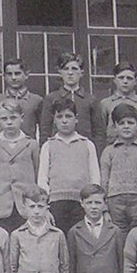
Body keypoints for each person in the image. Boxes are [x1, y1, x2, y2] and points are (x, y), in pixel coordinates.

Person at [37, 96, 100, 236]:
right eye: (59, 117)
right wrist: (45, 206)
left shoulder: (87, 144)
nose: (64, 120)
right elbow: (42, 179)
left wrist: (92, 201)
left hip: (81, 203)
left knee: (80, 240)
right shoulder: (48, 146)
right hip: (56, 204)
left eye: (68, 116)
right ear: (54, 119)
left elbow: (94, 177)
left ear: (76, 119)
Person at [100, 102, 137, 232]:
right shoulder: (108, 151)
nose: (126, 127)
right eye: (121, 123)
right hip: (115, 201)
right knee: (117, 234)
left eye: (130, 123)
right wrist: (104, 208)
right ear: (115, 127)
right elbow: (103, 181)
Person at [0, 98, 40, 232]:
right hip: (2, 204)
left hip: (25, 204)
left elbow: (37, 171)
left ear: (21, 118)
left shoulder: (31, 144)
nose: (9, 122)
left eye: (13, 118)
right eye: (4, 119)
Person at [38, 52, 101, 152]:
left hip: (84, 150)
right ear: (60, 72)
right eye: (66, 69)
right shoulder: (51, 99)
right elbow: (45, 130)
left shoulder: (90, 100)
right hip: (58, 150)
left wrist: (96, 154)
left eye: (74, 69)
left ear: (82, 73)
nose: (70, 73)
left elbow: (99, 132)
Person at [97, 61, 137, 147]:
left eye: (129, 78)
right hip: (113, 148)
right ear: (115, 80)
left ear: (135, 81)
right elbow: (101, 131)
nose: (125, 81)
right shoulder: (106, 104)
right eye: (121, 78)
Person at [0, 57, 41, 140]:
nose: (13, 77)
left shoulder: (36, 100)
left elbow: (43, 129)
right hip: (1, 146)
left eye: (17, 73)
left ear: (26, 75)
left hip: (27, 147)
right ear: (4, 76)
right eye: (9, 74)